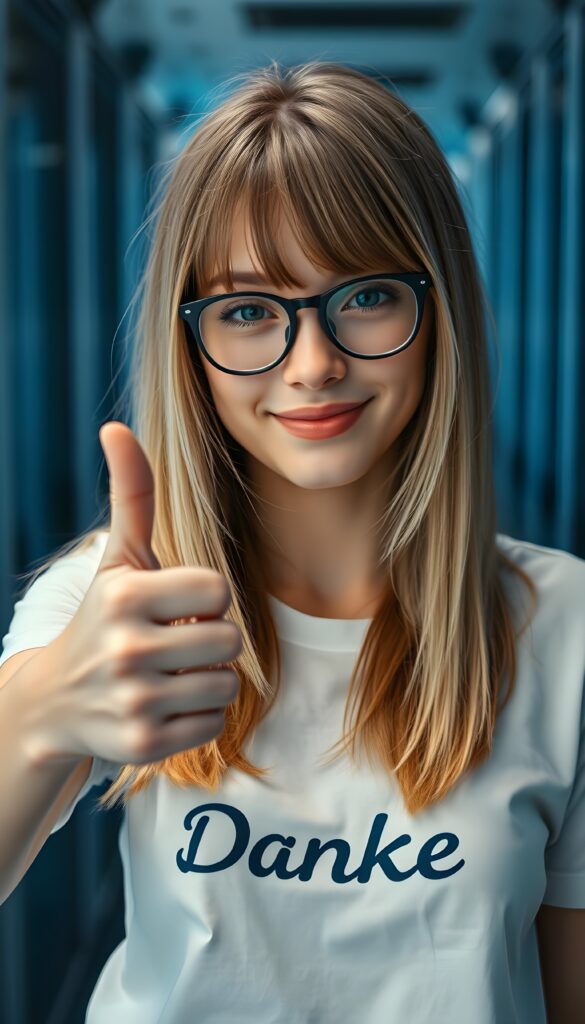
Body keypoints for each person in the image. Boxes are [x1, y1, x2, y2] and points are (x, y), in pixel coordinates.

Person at [0, 59, 584, 1024]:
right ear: (190, 344)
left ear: (436, 309)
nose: (313, 365)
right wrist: (45, 712)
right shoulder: (117, 602)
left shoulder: (563, 628)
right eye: (245, 311)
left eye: (363, 298)